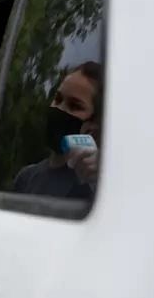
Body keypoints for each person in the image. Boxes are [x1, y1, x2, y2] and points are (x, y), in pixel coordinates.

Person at [13, 62, 103, 199]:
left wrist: (97, 182)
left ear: (93, 127)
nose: (59, 109)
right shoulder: (26, 178)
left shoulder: (96, 185)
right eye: (58, 99)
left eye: (74, 106)